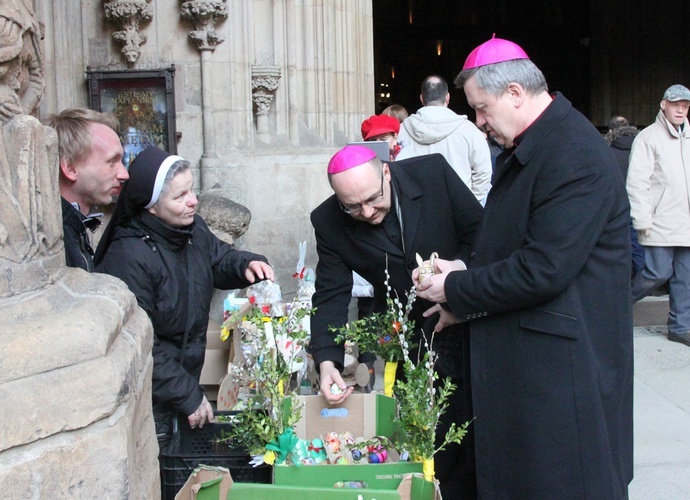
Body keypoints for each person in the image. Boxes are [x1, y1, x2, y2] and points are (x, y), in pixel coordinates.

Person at [413, 37, 634, 499]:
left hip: (562, 372)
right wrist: (462, 267)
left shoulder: (573, 153)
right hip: (533, 363)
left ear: (515, 93)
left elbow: (543, 269)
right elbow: (512, 240)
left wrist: (457, 287)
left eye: (483, 108)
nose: (479, 122)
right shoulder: (536, 143)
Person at [309, 145, 483, 498]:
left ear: (386, 172)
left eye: (373, 198)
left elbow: (481, 236)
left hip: (475, 327)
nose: (368, 212)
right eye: (353, 206)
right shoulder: (327, 220)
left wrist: (458, 295)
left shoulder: (433, 174)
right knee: (433, 448)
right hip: (414, 342)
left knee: (482, 444)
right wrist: (327, 360)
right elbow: (330, 293)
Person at [94, 146, 274, 451]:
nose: (193, 201)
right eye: (180, 196)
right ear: (151, 206)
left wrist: (246, 265)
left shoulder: (191, 229)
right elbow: (142, 344)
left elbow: (218, 260)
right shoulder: (128, 256)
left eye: (192, 190)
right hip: (152, 396)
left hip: (181, 381)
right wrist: (187, 395)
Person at [627, 84, 690, 349]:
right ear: (663, 104)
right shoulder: (648, 138)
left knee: (686, 277)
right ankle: (615, 305)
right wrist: (642, 220)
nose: (681, 109)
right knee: (656, 273)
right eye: (676, 104)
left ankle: (681, 328)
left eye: (685, 105)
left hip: (688, 221)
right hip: (660, 220)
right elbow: (636, 182)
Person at [43, 108, 129, 271]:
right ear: (70, 168)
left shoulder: (74, 227)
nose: (124, 174)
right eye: (112, 161)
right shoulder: (50, 241)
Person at [397, 75, 492, 202]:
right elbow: (483, 173)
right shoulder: (469, 130)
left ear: (421, 98)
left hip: (417, 209)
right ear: (447, 97)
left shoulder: (401, 130)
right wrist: (472, 204)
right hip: (459, 209)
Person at [605, 115, 644, 277]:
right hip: (641, 204)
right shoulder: (642, 147)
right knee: (639, 249)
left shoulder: (605, 151)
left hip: (615, 208)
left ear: (610, 130)